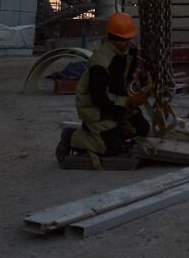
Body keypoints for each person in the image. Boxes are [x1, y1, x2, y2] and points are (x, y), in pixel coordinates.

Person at [56, 12, 150, 164]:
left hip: (117, 102)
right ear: (113, 38)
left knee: (141, 128)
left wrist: (139, 84)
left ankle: (106, 131)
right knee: (111, 148)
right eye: (124, 39)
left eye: (129, 38)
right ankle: (73, 137)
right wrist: (128, 104)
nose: (128, 42)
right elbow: (100, 99)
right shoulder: (101, 63)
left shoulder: (129, 52)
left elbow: (127, 78)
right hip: (95, 108)